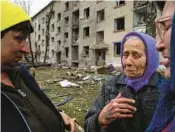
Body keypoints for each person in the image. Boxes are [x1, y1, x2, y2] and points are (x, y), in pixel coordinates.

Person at [1, 1, 75, 132]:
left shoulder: (21, 73)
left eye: (26, 39)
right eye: (19, 39)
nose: (27, 49)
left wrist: (55, 116)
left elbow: (33, 108)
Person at [84, 31, 164, 132]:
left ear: (151, 58)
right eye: (125, 54)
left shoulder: (166, 89)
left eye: (136, 55)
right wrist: (100, 118)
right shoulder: (110, 85)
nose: (127, 62)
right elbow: (87, 126)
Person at [146, 1, 175, 132]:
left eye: (168, 27)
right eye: (124, 54)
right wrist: (99, 119)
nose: (158, 45)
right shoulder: (168, 98)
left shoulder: (158, 87)